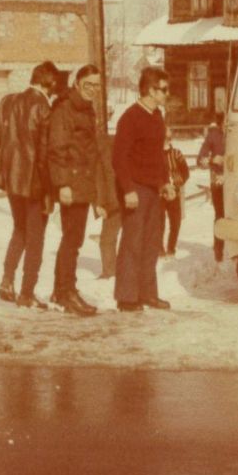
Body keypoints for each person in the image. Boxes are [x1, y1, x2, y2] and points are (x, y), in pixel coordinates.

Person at [0, 60, 59, 309]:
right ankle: (27, 292)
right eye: (54, 83)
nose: (55, 88)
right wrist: (49, 190)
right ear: (47, 82)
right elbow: (43, 154)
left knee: (20, 229)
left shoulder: (8, 101)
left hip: (12, 181)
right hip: (35, 183)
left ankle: (7, 280)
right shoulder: (43, 107)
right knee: (36, 238)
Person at [113, 67, 175, 311]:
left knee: (151, 243)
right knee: (132, 243)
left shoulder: (157, 116)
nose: (166, 94)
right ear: (150, 90)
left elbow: (158, 155)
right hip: (135, 189)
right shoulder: (130, 117)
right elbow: (119, 158)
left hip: (153, 189)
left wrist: (165, 182)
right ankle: (127, 298)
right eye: (163, 89)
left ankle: (148, 294)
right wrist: (128, 189)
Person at [47, 64, 103, 317]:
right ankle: (65, 292)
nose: (92, 89)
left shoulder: (86, 108)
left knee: (74, 239)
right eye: (88, 84)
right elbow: (57, 149)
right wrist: (63, 184)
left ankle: (64, 290)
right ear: (78, 83)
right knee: (71, 240)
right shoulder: (65, 109)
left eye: (96, 85)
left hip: (83, 182)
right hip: (72, 183)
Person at [198, 113, 226, 261]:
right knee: (220, 215)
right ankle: (219, 250)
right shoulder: (213, 135)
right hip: (218, 183)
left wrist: (225, 160)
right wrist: (207, 159)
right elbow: (201, 157)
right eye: (226, 121)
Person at [94, 131, 121, 279]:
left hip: (113, 199)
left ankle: (110, 272)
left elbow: (100, 178)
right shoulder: (111, 142)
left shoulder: (99, 148)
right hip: (126, 194)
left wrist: (100, 203)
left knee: (107, 239)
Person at [161, 133, 191, 255]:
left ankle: (171, 248)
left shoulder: (176, 153)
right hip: (160, 193)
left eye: (168, 138)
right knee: (159, 223)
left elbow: (186, 172)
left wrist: (178, 183)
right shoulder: (153, 154)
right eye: (163, 138)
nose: (165, 140)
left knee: (175, 222)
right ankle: (159, 250)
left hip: (175, 191)